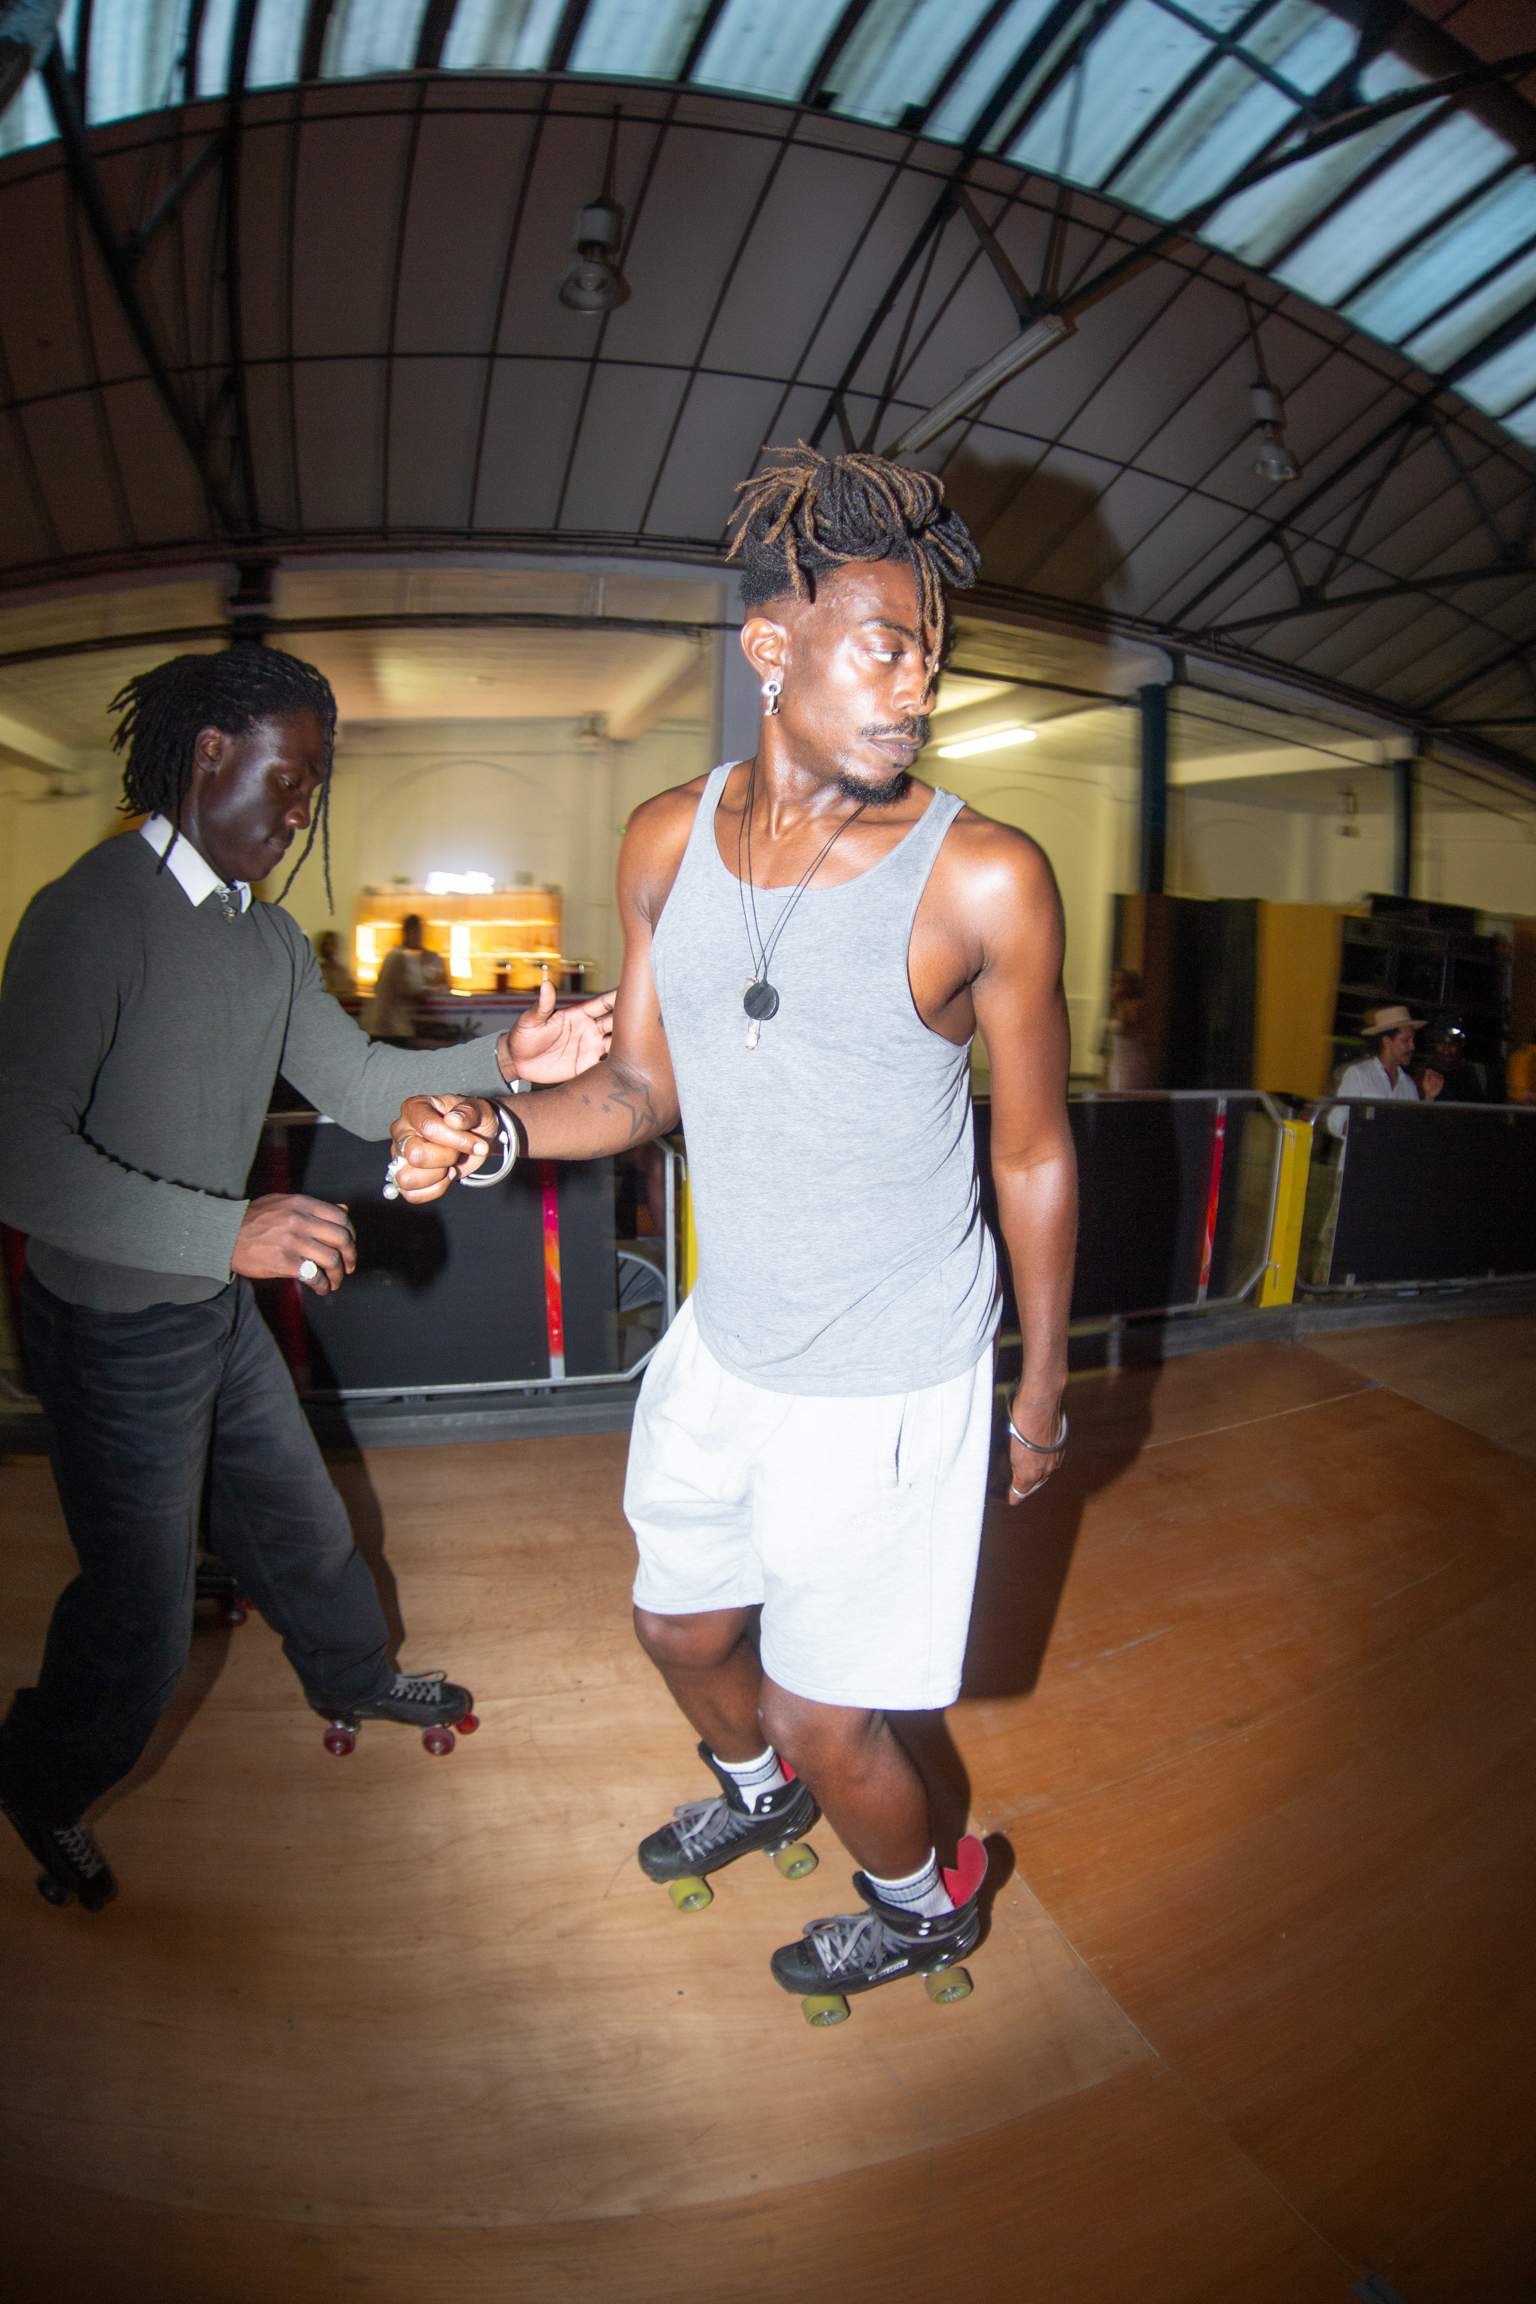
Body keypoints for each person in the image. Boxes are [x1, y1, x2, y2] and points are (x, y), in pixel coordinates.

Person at [388, 446, 1077, 2020]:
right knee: (679, 1624)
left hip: (897, 1368)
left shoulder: (983, 877)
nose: (921, 686)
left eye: (934, 656)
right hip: (730, 1337)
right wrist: (491, 1131)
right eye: (888, 645)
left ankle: (924, 1899)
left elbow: (1033, 1152)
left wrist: (1039, 1388)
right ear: (774, 649)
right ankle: (756, 1785)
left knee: (837, 1717)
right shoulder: (660, 843)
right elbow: (636, 1088)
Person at [0, 647, 613, 1912]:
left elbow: (361, 1084)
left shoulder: (267, 940)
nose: (299, 814)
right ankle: (39, 1776)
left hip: (206, 1310)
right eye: (288, 780)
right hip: (111, 1325)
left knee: (301, 1525)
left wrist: (515, 1054)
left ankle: (348, 1676)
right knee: (140, 1619)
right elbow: (20, 1159)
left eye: (314, 791)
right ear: (207, 754)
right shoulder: (89, 913)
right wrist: (222, 1234)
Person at [1326, 1004, 1442, 1136]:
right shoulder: (1359, 1074)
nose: (1412, 1047)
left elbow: (1415, 1129)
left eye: (1412, 1040)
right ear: (1387, 1041)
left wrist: (1428, 1098)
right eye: (1406, 1040)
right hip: (1362, 1156)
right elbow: (1336, 1121)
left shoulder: (1407, 1084)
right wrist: (1367, 1129)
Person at [363, 914, 449, 1043]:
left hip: (380, 1025)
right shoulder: (403, 957)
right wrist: (435, 988)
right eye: (419, 933)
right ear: (411, 932)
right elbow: (413, 989)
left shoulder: (393, 955)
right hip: (393, 1027)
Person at [314, 927, 357, 1001]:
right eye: (325, 944)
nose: (328, 948)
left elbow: (350, 990)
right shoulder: (314, 971)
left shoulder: (343, 972)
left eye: (332, 944)